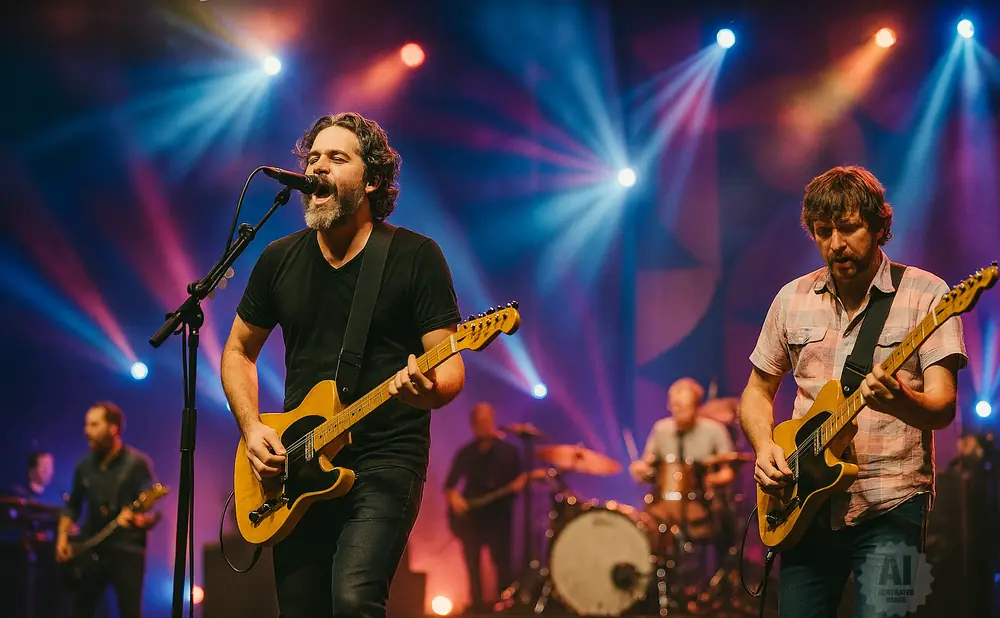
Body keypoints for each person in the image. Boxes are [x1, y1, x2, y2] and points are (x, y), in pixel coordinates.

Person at [221, 112, 466, 618]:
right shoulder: (278, 258)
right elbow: (238, 350)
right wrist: (251, 429)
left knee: (355, 600)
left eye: (337, 158)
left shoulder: (414, 256)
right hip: (297, 460)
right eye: (313, 158)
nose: (318, 168)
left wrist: (426, 390)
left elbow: (450, 370)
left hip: (384, 458)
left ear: (372, 179)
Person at [739, 165, 967, 618]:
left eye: (849, 228)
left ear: (880, 226)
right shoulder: (791, 298)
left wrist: (903, 402)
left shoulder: (929, 294)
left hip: (893, 504)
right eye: (824, 232)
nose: (836, 244)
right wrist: (764, 446)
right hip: (804, 510)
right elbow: (757, 391)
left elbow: (942, 408)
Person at [56, 402, 159, 618]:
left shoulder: (137, 464)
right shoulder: (84, 466)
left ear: (113, 429)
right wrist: (62, 540)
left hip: (127, 551)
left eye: (94, 425)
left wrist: (137, 520)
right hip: (91, 550)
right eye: (86, 425)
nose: (87, 431)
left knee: (130, 613)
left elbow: (148, 513)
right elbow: (72, 506)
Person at [629, 377, 736, 561]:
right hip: (662, 504)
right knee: (642, 527)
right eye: (675, 406)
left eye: (684, 407)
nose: (678, 412)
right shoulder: (661, 429)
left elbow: (728, 471)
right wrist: (640, 469)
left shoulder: (715, 431)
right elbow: (648, 462)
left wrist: (711, 480)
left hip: (702, 502)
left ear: (696, 406)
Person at [443, 402, 524, 612]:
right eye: (479, 422)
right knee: (472, 564)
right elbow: (449, 485)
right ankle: (476, 607)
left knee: (502, 563)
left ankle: (505, 605)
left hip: (499, 517)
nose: (483, 426)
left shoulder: (509, 452)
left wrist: (517, 486)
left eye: (487, 421)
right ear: (473, 425)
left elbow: (521, 482)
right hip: (471, 520)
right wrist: (455, 499)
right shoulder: (466, 453)